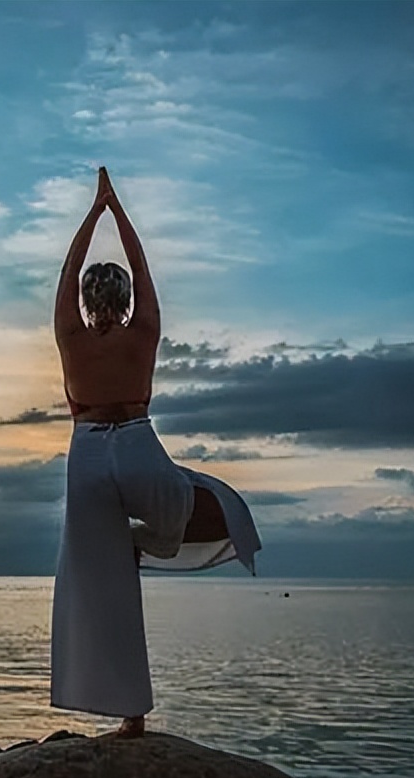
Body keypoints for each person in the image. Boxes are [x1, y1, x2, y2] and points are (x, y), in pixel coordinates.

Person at [49, 167, 261, 739]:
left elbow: (67, 274)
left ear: (89, 301)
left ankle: (128, 711)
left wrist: (92, 212)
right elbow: (141, 270)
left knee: (101, 583)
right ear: (123, 299)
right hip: (137, 441)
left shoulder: (70, 335)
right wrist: (118, 210)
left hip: (89, 451)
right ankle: (156, 542)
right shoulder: (143, 332)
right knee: (176, 508)